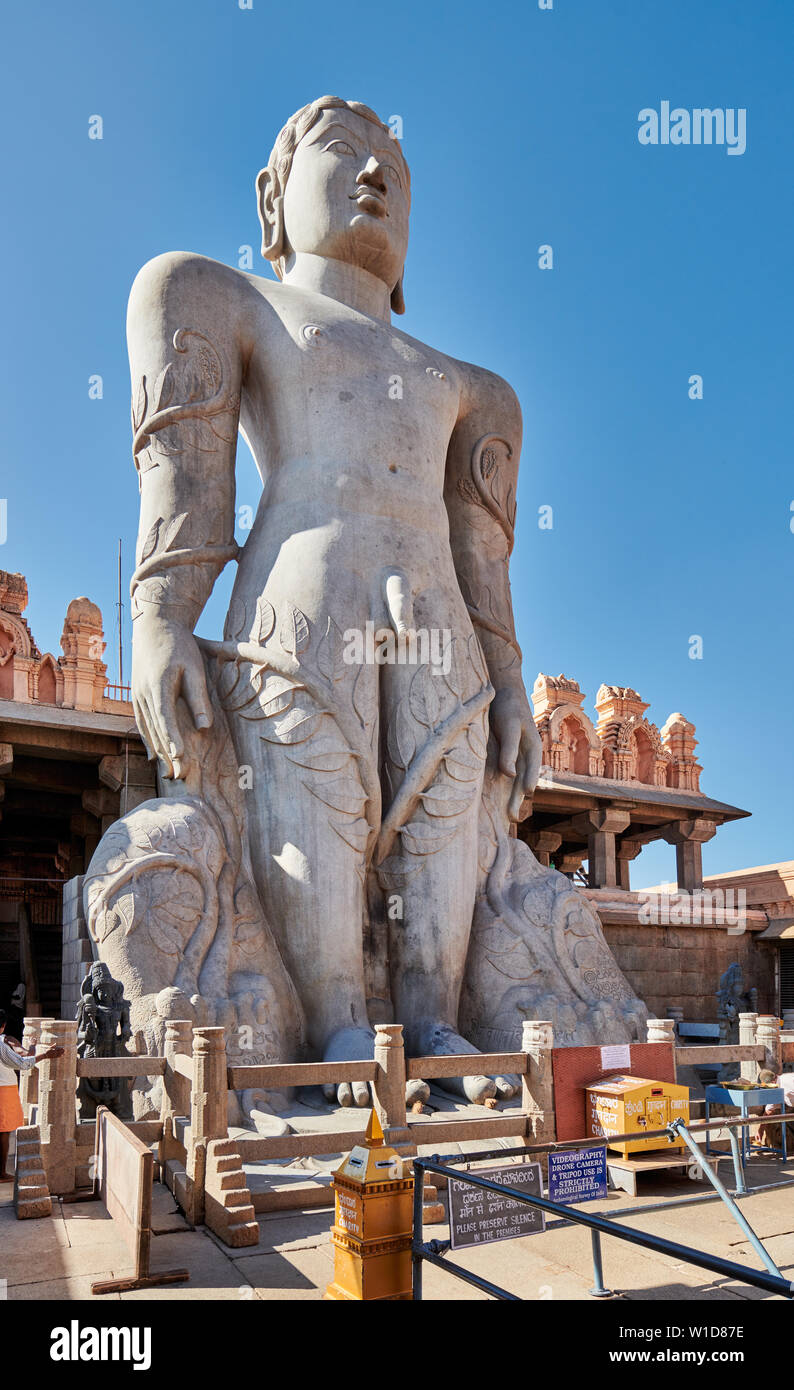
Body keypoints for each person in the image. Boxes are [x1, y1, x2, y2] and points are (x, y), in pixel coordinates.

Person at [0, 1009, 63, 1182]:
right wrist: (46, 1054)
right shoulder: (3, 1041)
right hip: (3, 1089)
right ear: (3, 1026)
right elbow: (22, 1062)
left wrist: (33, 1049)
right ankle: (1, 1174)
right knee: (4, 1132)